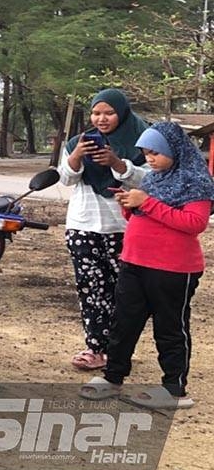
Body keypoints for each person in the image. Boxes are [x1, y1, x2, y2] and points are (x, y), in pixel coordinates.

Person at [80, 122, 213, 409]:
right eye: (146, 153)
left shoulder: (196, 182)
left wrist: (146, 203)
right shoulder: (153, 179)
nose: (150, 159)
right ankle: (113, 377)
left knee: (170, 328)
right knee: (124, 323)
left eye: (155, 152)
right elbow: (141, 218)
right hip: (134, 262)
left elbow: (194, 224)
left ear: (174, 150)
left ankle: (174, 389)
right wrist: (129, 206)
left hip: (173, 268)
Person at [58, 88, 150, 371]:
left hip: (125, 228)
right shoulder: (77, 141)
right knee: (91, 289)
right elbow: (66, 178)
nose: (101, 119)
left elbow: (150, 181)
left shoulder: (142, 140)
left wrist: (117, 163)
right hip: (83, 226)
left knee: (124, 291)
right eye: (96, 113)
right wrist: (75, 156)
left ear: (121, 112)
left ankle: (120, 350)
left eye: (108, 112)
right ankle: (95, 348)